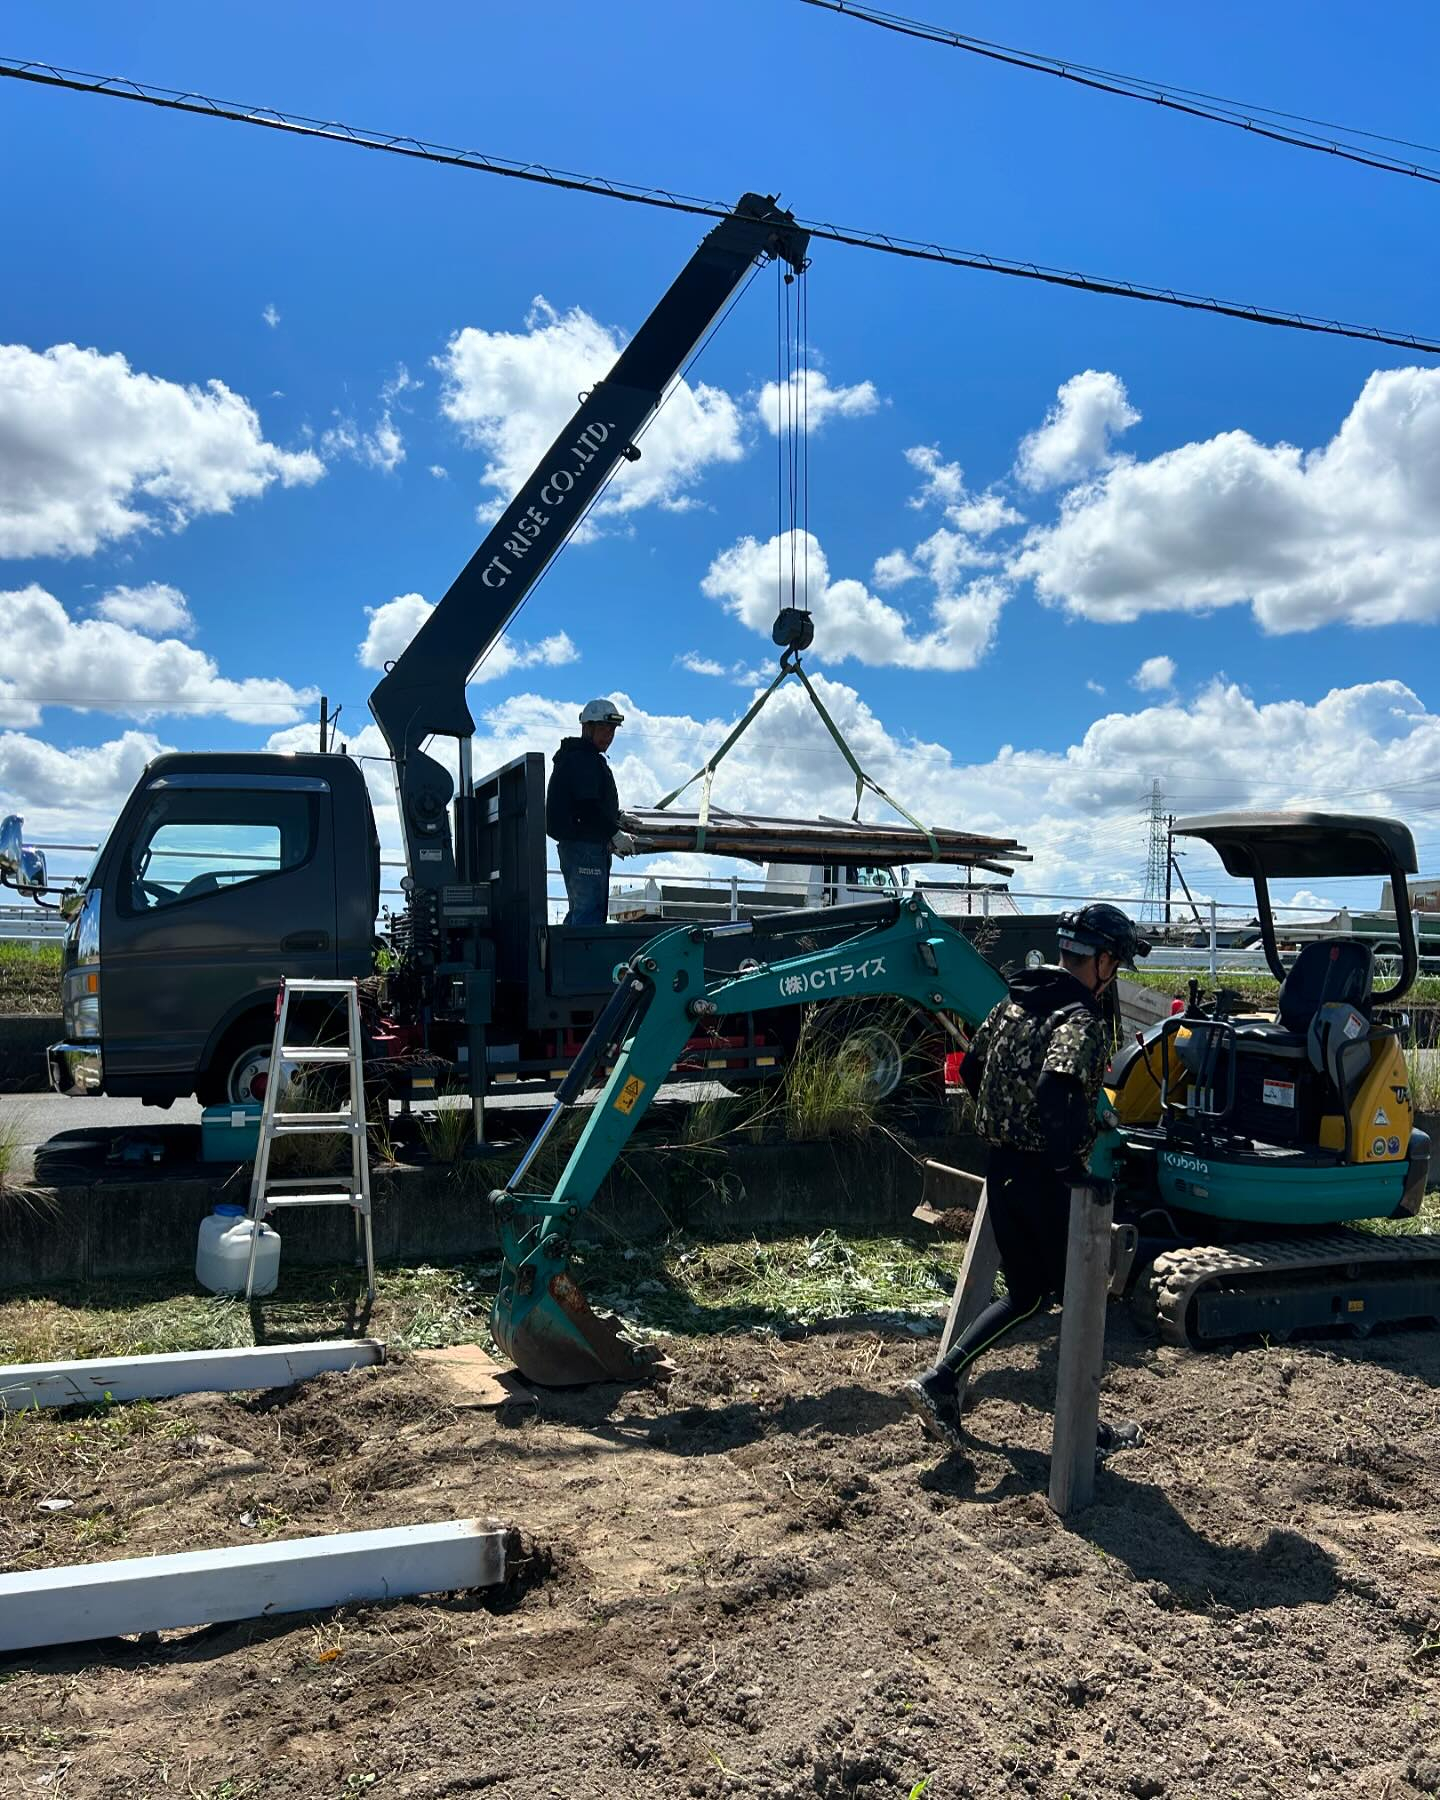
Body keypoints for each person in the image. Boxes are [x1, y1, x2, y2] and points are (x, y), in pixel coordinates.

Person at [904, 903, 1151, 1454]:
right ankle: (1083, 1433)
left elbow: (970, 1069)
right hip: (1045, 1176)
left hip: (1002, 1164)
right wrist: (1069, 1168)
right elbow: (1055, 1089)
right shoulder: (1080, 1020)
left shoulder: (1011, 1006)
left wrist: (1005, 1122)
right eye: (1116, 963)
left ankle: (941, 1382)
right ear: (1103, 961)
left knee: (1028, 1295)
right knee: (1078, 1299)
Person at [545, 699, 636, 927]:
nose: (608, 736)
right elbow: (587, 806)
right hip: (585, 846)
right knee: (589, 915)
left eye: (612, 731)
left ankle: (560, 959)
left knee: (581, 911)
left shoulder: (579, 757)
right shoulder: (583, 759)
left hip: (579, 844)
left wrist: (617, 815)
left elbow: (589, 801)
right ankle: (581, 961)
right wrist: (614, 833)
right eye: (604, 729)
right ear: (587, 727)